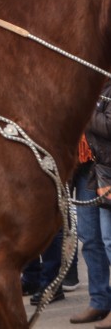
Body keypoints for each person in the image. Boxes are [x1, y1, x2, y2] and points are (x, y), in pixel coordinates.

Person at [71, 80, 111, 325]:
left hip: (107, 171)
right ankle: (99, 302)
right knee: (90, 238)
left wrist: (83, 110)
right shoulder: (87, 87)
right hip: (86, 171)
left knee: (109, 241)